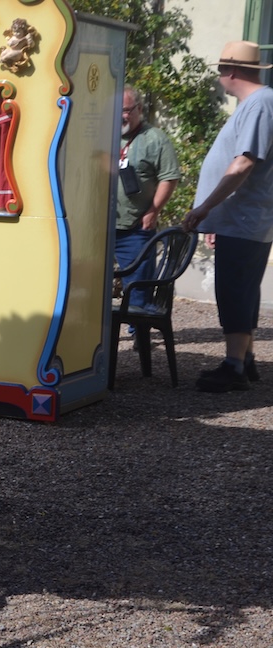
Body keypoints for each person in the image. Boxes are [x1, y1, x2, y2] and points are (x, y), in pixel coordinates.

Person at [183, 41, 273, 392]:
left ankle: (234, 367)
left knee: (234, 290)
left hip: (244, 219)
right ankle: (245, 360)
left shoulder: (260, 104)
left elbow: (244, 162)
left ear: (231, 71)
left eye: (221, 70)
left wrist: (206, 207)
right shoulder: (256, 104)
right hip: (240, 219)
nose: (219, 76)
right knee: (242, 289)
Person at [114, 86, 181, 316]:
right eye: (115, 110)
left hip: (136, 228)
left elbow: (169, 177)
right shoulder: (102, 136)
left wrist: (153, 211)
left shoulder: (155, 139)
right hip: (101, 227)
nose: (120, 116)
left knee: (138, 288)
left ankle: (138, 331)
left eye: (125, 110)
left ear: (139, 109)